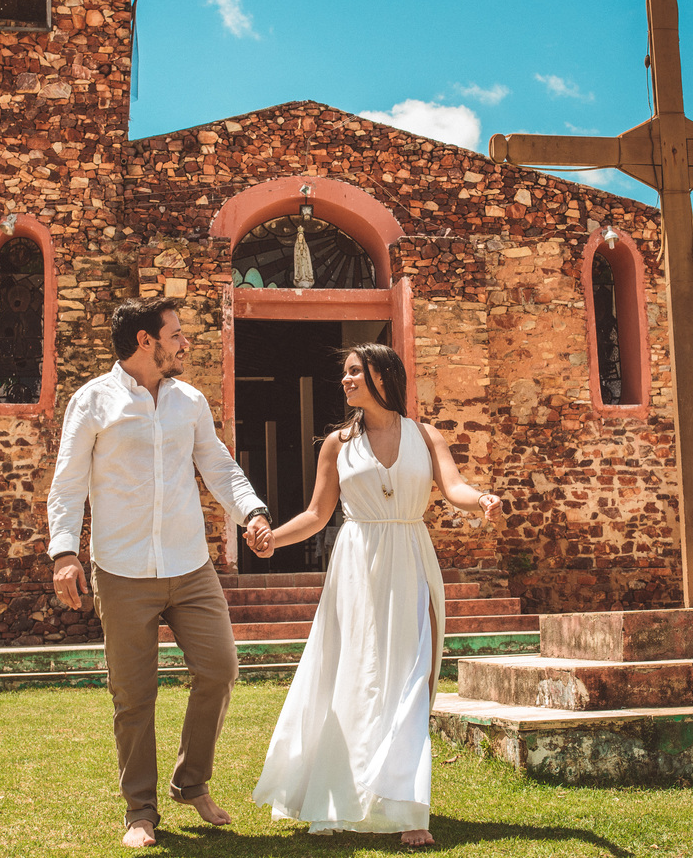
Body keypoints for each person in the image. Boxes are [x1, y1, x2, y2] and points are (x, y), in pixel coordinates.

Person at [249, 343, 500, 847]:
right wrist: (273, 537)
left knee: (414, 674)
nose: (345, 381)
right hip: (358, 565)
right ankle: (345, 794)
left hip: (411, 554)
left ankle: (410, 810)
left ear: (384, 376)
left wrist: (482, 501)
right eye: (344, 373)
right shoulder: (337, 445)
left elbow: (452, 488)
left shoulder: (425, 437)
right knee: (358, 678)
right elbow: (319, 514)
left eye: (355, 372)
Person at [46, 296, 275, 848]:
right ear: (146, 341)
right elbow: (69, 482)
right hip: (121, 568)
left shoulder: (189, 401)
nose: (184, 342)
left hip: (189, 564)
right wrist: (63, 553)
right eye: (175, 334)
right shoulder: (92, 401)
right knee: (134, 694)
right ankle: (140, 812)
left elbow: (218, 465)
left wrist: (253, 512)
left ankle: (191, 782)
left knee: (220, 669)